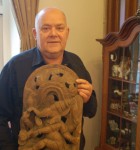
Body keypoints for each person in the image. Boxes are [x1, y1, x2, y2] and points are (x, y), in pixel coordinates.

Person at [0, 7, 97, 150]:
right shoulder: (15, 67)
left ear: (67, 32)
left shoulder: (76, 64)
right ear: (35, 33)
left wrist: (88, 99)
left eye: (59, 28)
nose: (53, 34)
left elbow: (91, 111)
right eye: (45, 28)